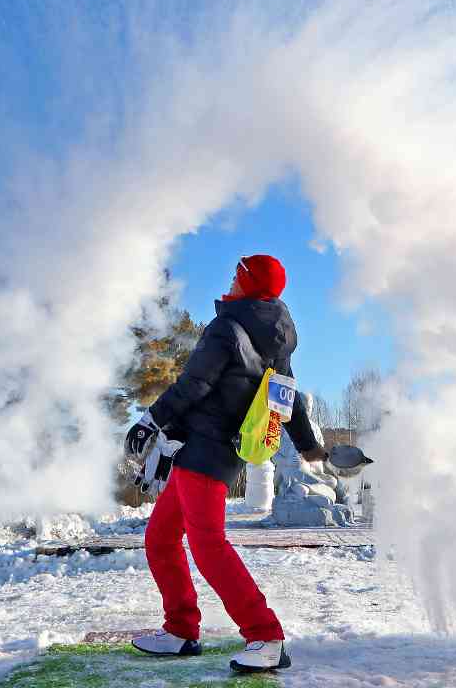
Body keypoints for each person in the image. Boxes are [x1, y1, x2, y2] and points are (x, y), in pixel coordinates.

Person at [124, 254, 327, 673]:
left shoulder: (227, 327)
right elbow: (285, 395)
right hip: (207, 449)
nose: (231, 280)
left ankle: (265, 635)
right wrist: (308, 446)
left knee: (208, 545)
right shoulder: (277, 336)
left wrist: (150, 421)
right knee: (160, 538)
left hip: (208, 449)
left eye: (238, 275)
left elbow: (194, 384)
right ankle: (180, 630)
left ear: (250, 284)